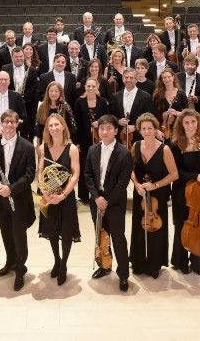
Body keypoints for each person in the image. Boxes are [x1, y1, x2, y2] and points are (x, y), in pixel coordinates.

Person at [0, 110, 36, 292]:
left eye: (12, 122)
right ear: (1, 124)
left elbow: (30, 174)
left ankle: (20, 269)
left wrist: (12, 189)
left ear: (17, 124)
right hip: (0, 198)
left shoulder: (27, 146)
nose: (9, 125)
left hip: (20, 198)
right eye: (5, 122)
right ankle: (10, 262)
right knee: (6, 232)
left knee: (19, 235)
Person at [85, 114, 133, 292]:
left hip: (115, 202)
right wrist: (97, 197)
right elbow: (88, 176)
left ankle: (123, 274)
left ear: (116, 130)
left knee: (118, 238)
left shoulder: (125, 153)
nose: (104, 132)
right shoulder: (92, 150)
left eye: (108, 129)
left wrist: (107, 201)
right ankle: (105, 266)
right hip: (97, 201)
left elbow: (123, 182)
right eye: (102, 129)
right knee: (101, 235)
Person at [129, 113, 178, 279]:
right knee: (138, 226)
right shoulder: (135, 146)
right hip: (141, 194)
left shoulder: (164, 149)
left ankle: (155, 263)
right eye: (143, 128)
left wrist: (155, 185)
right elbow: (131, 170)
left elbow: (174, 175)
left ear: (155, 129)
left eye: (150, 128)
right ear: (139, 129)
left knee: (156, 228)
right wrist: (136, 185)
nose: (147, 131)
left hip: (159, 194)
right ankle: (138, 261)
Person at [37, 114, 81, 285]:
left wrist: (63, 195)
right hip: (48, 196)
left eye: (57, 125)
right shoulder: (42, 148)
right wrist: (44, 191)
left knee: (67, 232)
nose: (54, 128)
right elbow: (40, 171)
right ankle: (56, 259)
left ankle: (63, 265)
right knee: (52, 231)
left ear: (63, 126)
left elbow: (75, 173)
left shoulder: (72, 149)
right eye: (50, 126)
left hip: (65, 197)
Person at [169, 109, 200, 274]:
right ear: (181, 124)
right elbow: (176, 172)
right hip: (182, 191)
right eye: (186, 122)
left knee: (198, 226)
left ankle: (196, 260)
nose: (190, 125)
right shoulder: (174, 144)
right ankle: (180, 261)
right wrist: (196, 176)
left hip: (199, 192)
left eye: (193, 122)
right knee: (182, 226)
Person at [73, 77, 109, 203]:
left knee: (99, 166)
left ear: (97, 87)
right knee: (84, 167)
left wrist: (99, 123)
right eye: (88, 86)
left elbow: (107, 119)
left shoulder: (103, 101)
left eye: (93, 86)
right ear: (85, 87)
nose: (91, 88)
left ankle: (98, 194)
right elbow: (75, 124)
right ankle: (84, 196)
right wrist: (76, 142)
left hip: (100, 139)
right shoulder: (79, 102)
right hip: (83, 140)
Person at [110, 68, 154, 147]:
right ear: (123, 79)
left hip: (139, 137)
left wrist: (135, 127)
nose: (128, 80)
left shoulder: (146, 96)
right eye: (126, 77)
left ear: (136, 79)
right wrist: (118, 121)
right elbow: (111, 115)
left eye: (131, 78)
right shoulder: (116, 96)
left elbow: (149, 117)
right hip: (120, 138)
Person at [34, 80, 76, 146]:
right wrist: (38, 144)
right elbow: (39, 128)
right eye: (51, 91)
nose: (53, 93)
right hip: (46, 142)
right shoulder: (42, 106)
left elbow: (72, 127)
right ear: (47, 92)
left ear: (60, 93)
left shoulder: (65, 106)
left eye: (56, 91)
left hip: (63, 142)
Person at [152, 68, 186, 135]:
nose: (167, 80)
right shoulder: (157, 94)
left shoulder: (181, 93)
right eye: (164, 77)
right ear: (162, 79)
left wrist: (176, 113)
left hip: (178, 127)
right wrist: (156, 130)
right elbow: (154, 113)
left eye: (169, 77)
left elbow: (188, 113)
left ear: (173, 77)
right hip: (162, 128)